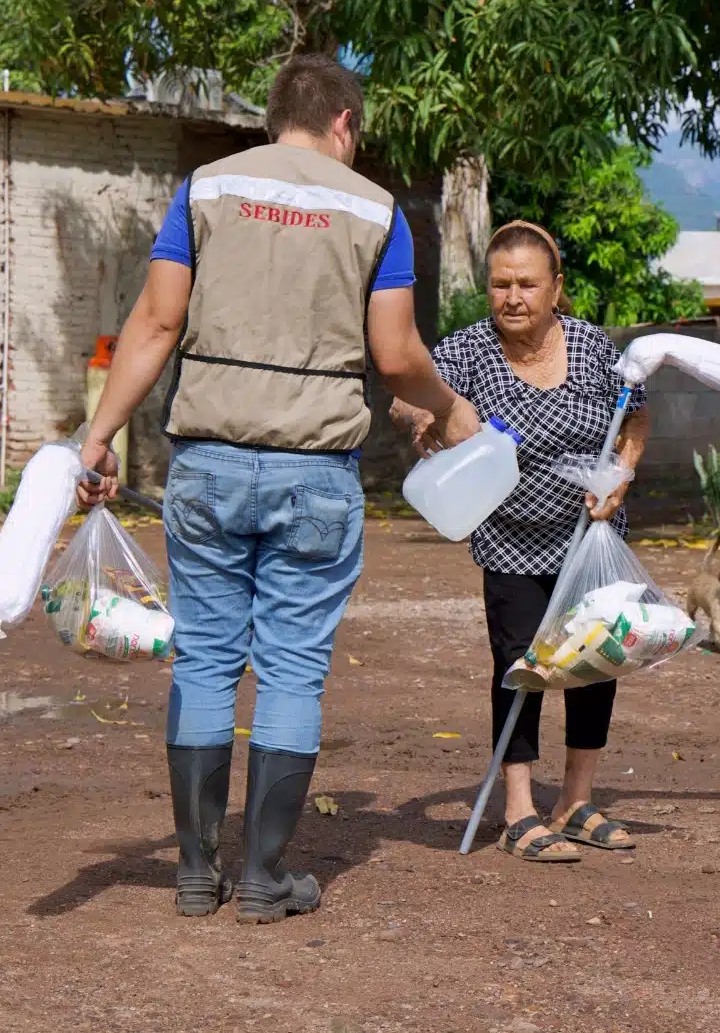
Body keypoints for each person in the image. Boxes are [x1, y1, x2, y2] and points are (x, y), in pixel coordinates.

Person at [78, 54, 481, 924]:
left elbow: (154, 321)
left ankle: (195, 873)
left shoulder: (207, 190)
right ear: (344, 122)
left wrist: (99, 434)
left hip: (208, 466)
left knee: (207, 660)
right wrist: (452, 410)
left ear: (275, 119)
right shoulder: (377, 210)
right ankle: (263, 875)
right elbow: (396, 356)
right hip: (314, 475)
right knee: (292, 670)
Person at [392, 221, 650, 863]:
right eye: (500, 284)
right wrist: (426, 418)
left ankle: (574, 802)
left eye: (528, 284)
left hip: (589, 537)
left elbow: (637, 415)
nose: (513, 297)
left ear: (556, 288)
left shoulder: (593, 347)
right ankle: (518, 812)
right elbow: (409, 395)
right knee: (520, 667)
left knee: (595, 661)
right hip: (509, 540)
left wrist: (624, 472)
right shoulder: (469, 350)